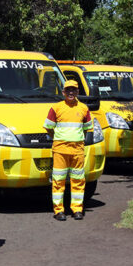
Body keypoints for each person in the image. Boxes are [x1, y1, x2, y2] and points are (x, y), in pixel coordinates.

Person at [43, 80, 93, 221]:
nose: (71, 93)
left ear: (78, 92)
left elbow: (88, 128)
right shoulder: (56, 108)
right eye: (68, 90)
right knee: (58, 180)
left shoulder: (84, 108)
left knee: (78, 180)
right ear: (63, 92)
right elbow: (48, 127)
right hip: (60, 149)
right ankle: (58, 210)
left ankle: (77, 209)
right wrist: (58, 139)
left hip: (77, 149)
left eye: (74, 90)